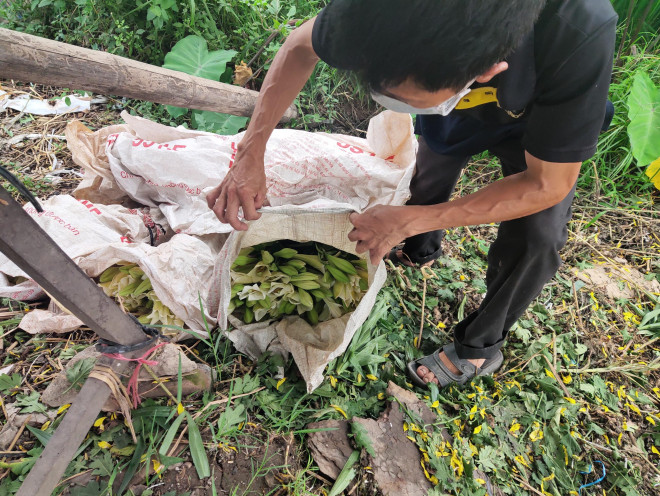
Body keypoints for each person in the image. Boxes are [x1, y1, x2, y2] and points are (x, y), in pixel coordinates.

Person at [206, 0, 617, 388]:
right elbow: (299, 46)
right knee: (430, 174)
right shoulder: (380, 11)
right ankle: (418, 248)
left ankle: (481, 344)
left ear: (489, 69)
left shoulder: (579, 27)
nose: (397, 105)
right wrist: (250, 152)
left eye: (413, 101)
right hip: (455, 105)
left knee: (537, 236)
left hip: (543, 121)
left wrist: (411, 217)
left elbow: (546, 184)